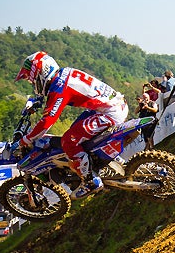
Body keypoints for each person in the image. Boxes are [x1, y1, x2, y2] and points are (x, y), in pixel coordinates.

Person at [14, 51, 128, 198]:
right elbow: (51, 95)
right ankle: (110, 161)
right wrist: (37, 101)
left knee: (68, 141)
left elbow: (46, 122)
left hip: (110, 113)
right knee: (76, 129)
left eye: (32, 80)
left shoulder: (59, 88)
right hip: (113, 105)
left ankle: (90, 181)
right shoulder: (64, 74)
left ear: (41, 74)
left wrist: (26, 140)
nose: (33, 84)